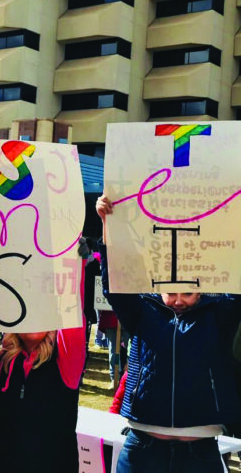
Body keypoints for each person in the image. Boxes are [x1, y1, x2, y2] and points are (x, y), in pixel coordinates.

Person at [96, 195, 241, 473]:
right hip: (142, 450)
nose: (178, 300)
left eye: (187, 293)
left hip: (200, 453)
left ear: (201, 290)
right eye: (170, 293)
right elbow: (114, 284)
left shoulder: (218, 315)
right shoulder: (142, 313)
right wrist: (108, 225)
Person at [0, 257, 87, 473]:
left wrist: (74, 266)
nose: (33, 318)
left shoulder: (66, 362)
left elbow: (72, 317)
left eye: (40, 310)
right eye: (26, 310)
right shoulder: (5, 364)